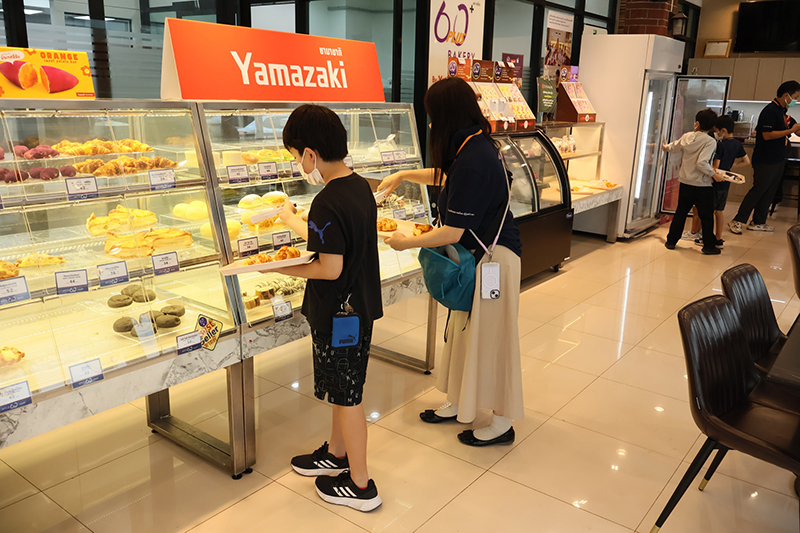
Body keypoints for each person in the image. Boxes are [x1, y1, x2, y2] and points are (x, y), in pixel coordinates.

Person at [379, 77, 524, 446]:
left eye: (431, 116)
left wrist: (405, 242)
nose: (429, 125)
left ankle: (502, 422)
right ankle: (460, 401)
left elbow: (453, 232)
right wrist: (404, 174)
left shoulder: (474, 157)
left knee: (493, 339)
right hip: (476, 259)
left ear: (445, 116)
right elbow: (448, 176)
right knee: (464, 333)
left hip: (494, 263)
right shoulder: (472, 144)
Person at [274, 104, 383, 512]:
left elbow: (329, 264)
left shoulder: (324, 201)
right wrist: (292, 223)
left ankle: (361, 484)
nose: (297, 165)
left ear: (309, 154)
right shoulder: (357, 187)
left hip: (339, 316)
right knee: (344, 387)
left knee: (349, 395)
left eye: (294, 156)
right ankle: (336, 453)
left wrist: (286, 266)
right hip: (359, 308)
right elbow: (333, 243)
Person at [729, 80, 800, 234]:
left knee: (770, 191)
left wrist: (794, 129)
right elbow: (767, 135)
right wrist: (790, 131)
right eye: (795, 97)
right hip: (766, 159)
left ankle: (758, 221)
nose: (796, 100)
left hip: (778, 158)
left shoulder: (782, 113)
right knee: (759, 189)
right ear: (787, 95)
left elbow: (794, 129)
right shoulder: (770, 111)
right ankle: (738, 220)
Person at [663, 108, 726, 255]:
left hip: (685, 181)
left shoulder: (687, 136)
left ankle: (671, 241)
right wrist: (714, 175)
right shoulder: (710, 141)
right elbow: (702, 163)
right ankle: (709, 246)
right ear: (712, 126)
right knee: (706, 216)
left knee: (681, 212)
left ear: (697, 123)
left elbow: (674, 147)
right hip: (702, 184)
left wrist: (665, 147)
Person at [684, 115, 751, 246]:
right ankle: (719, 238)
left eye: (717, 130)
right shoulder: (737, 144)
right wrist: (732, 167)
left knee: (707, 211)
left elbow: (716, 166)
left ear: (723, 130)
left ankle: (705, 237)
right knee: (719, 211)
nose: (716, 133)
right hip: (726, 183)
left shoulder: (719, 145)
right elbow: (747, 161)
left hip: (715, 182)